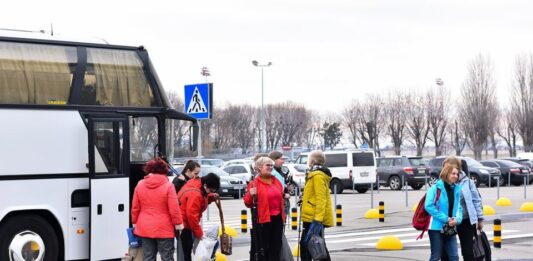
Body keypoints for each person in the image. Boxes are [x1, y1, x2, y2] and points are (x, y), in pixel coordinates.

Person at [131, 157, 184, 261]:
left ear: (148, 170)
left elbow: (135, 207)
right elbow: (174, 209)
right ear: (164, 170)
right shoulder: (168, 186)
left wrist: (134, 222)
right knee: (167, 257)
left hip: (145, 227)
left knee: (148, 258)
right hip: (164, 228)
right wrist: (178, 224)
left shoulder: (140, 184)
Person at [441, 157, 484, 261]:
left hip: (466, 221)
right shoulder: (441, 183)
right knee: (446, 253)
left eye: (452, 167)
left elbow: (476, 201)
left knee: (468, 252)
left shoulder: (468, 182)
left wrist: (480, 218)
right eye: (447, 167)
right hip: (448, 222)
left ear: (458, 168)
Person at [244, 156, 285, 261]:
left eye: (271, 165)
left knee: (276, 247)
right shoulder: (254, 183)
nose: (270, 167)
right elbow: (247, 203)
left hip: (277, 218)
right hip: (263, 219)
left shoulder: (276, 181)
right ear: (259, 167)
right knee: (264, 248)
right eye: (267, 165)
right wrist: (250, 193)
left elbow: (281, 197)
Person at [177, 172, 220, 261]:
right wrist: (200, 234)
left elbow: (202, 197)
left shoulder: (197, 184)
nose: (212, 192)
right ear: (205, 185)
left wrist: (211, 196)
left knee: (188, 247)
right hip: (184, 223)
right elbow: (192, 216)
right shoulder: (195, 194)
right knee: (187, 249)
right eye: (211, 190)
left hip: (184, 221)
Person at [299, 150, 333, 261]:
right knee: (316, 244)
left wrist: (318, 219)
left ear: (312, 161)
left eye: (309, 159)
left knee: (310, 245)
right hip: (311, 215)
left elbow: (321, 198)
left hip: (314, 217)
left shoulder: (317, 175)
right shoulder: (313, 174)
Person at [425, 159, 463, 261]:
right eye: (453, 173)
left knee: (454, 257)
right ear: (446, 173)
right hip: (436, 228)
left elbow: (459, 207)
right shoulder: (435, 188)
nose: (456, 176)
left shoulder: (457, 189)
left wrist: (457, 220)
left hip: (450, 227)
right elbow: (428, 206)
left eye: (457, 174)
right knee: (436, 257)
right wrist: (446, 219)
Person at [269, 150, 292, 225]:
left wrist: (286, 188)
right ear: (273, 160)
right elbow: (272, 190)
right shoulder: (272, 173)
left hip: (282, 203)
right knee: (278, 229)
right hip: (277, 205)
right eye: (281, 159)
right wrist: (284, 195)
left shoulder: (279, 171)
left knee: (281, 228)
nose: (283, 161)